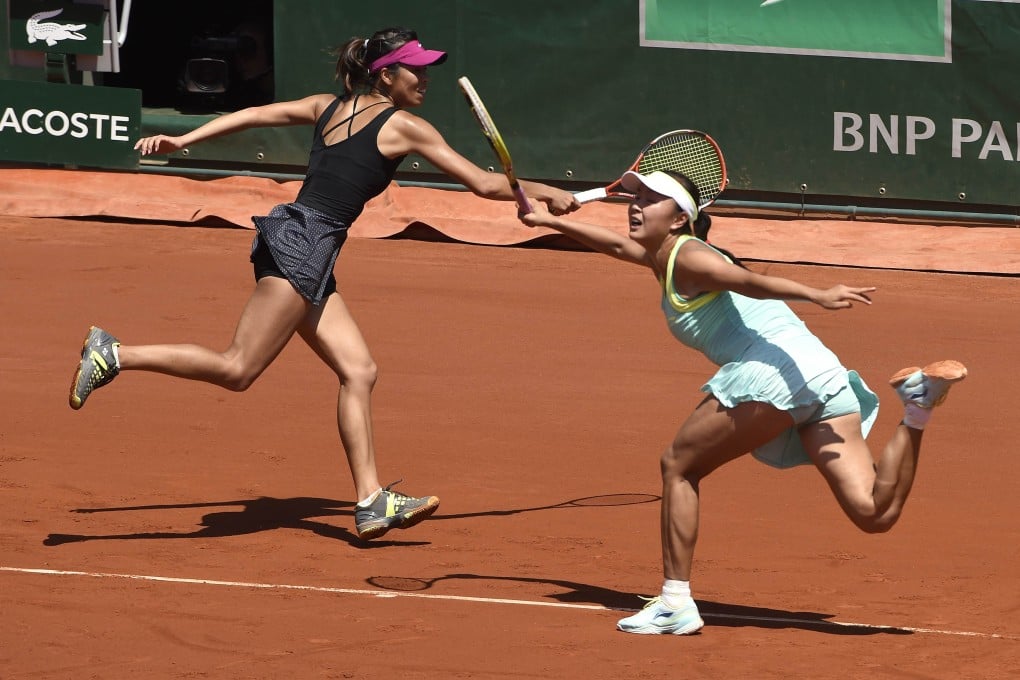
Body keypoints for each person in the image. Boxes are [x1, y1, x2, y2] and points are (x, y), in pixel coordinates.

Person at [68, 27, 579, 542]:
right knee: (237, 368)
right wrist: (544, 191)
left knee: (359, 370)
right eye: (415, 69)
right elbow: (485, 183)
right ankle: (116, 353)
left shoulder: (325, 106)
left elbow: (252, 115)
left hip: (302, 239)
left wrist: (184, 138)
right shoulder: (404, 125)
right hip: (305, 244)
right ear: (387, 74)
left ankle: (370, 502)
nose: (425, 78)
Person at [518, 169, 966, 634]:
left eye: (651, 199)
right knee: (875, 512)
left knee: (679, 466)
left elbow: (745, 280)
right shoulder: (668, 257)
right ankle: (917, 405)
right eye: (636, 196)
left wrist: (816, 293)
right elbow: (615, 247)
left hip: (774, 374)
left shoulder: (689, 256)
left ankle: (675, 602)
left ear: (677, 220)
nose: (636, 205)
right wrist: (551, 222)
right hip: (821, 372)